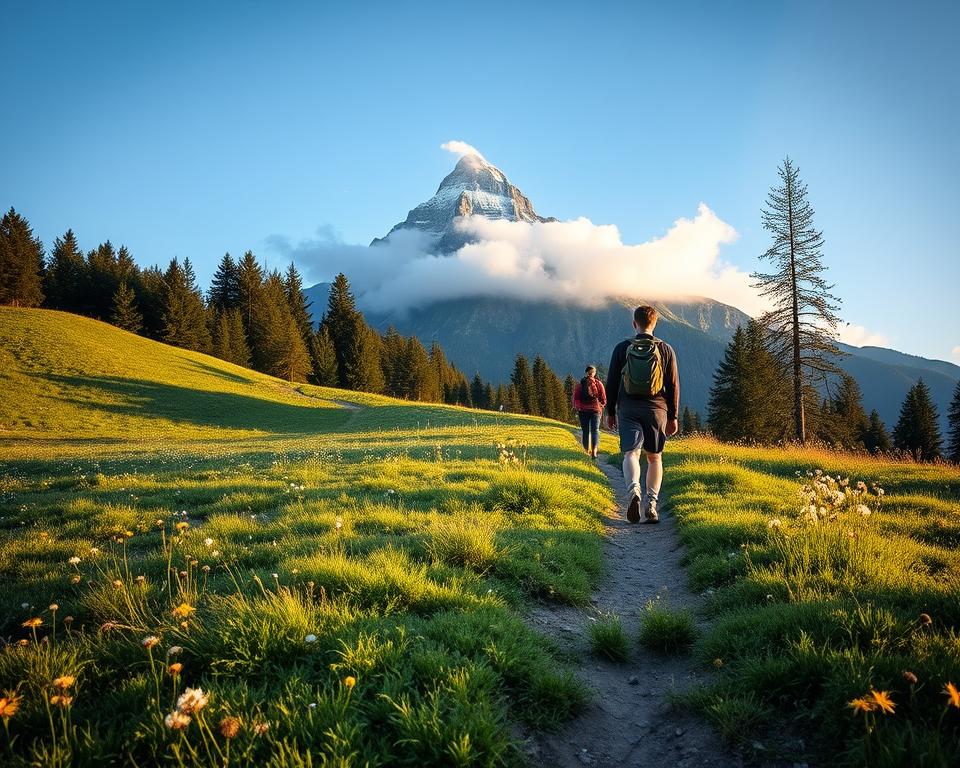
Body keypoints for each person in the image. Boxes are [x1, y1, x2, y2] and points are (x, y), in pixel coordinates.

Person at [604, 305, 679, 524]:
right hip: (657, 409)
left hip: (628, 408)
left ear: (634, 324)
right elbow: (673, 385)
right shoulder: (665, 349)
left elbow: (612, 382)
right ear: (655, 324)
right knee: (654, 457)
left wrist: (610, 412)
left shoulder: (622, 348)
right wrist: (673, 416)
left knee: (631, 454)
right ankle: (652, 504)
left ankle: (633, 491)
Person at [572, 365, 606, 459]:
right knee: (595, 431)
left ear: (586, 373)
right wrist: (600, 406)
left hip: (583, 411)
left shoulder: (580, 384)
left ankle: (586, 451)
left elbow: (576, 398)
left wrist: (579, 407)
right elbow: (603, 398)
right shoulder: (599, 384)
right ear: (594, 373)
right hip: (595, 410)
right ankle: (594, 451)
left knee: (585, 431)